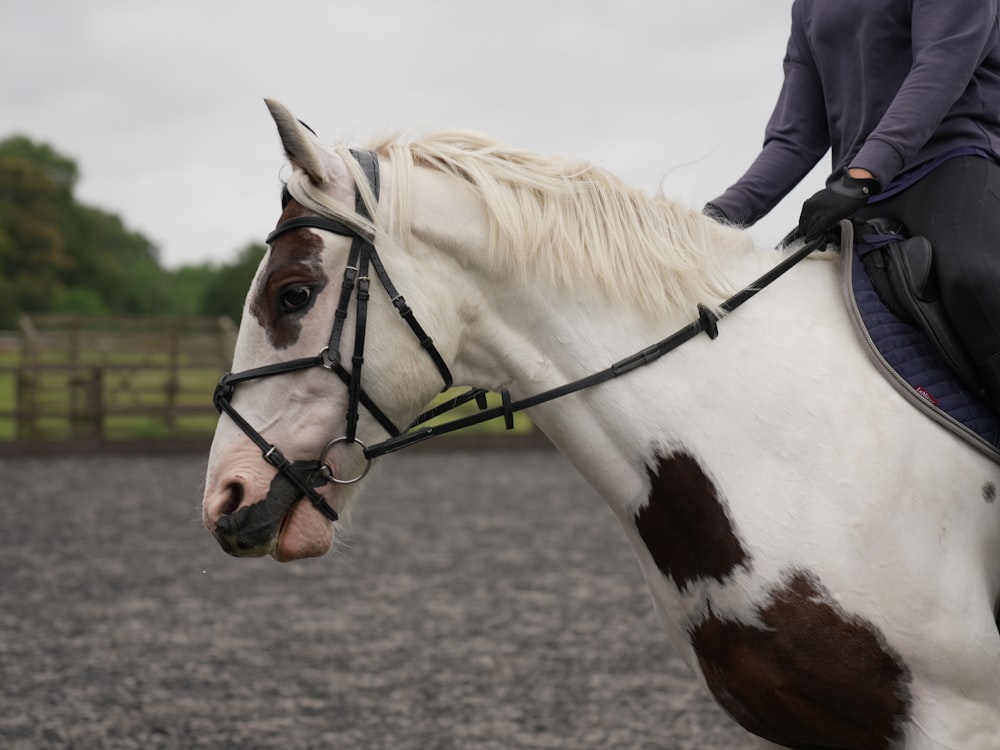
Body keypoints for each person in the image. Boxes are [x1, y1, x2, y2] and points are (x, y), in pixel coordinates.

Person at [704, 0, 1000, 405]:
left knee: (975, 279)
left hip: (950, 160)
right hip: (858, 192)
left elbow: (940, 68)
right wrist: (717, 217)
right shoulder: (809, 7)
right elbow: (796, 137)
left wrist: (863, 175)